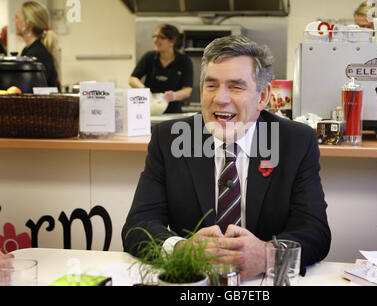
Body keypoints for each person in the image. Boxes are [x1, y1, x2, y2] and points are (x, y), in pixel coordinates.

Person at [122, 35, 331, 279]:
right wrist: (182, 249)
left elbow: (315, 231)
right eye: (211, 86)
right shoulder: (168, 139)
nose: (220, 99)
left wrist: (268, 255)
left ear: (263, 97)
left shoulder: (295, 142)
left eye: (236, 86)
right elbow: (137, 227)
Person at [129, 24, 193, 114]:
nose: (155, 40)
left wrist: (174, 96)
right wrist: (144, 90)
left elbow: (187, 90)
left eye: (160, 37)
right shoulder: (150, 57)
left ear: (172, 41)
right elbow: (132, 79)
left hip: (173, 114)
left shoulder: (184, 60)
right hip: (149, 111)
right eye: (155, 36)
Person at [15, 1, 60, 89]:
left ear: (27, 23)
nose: (14, 20)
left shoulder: (37, 55)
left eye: (17, 17)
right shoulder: (28, 51)